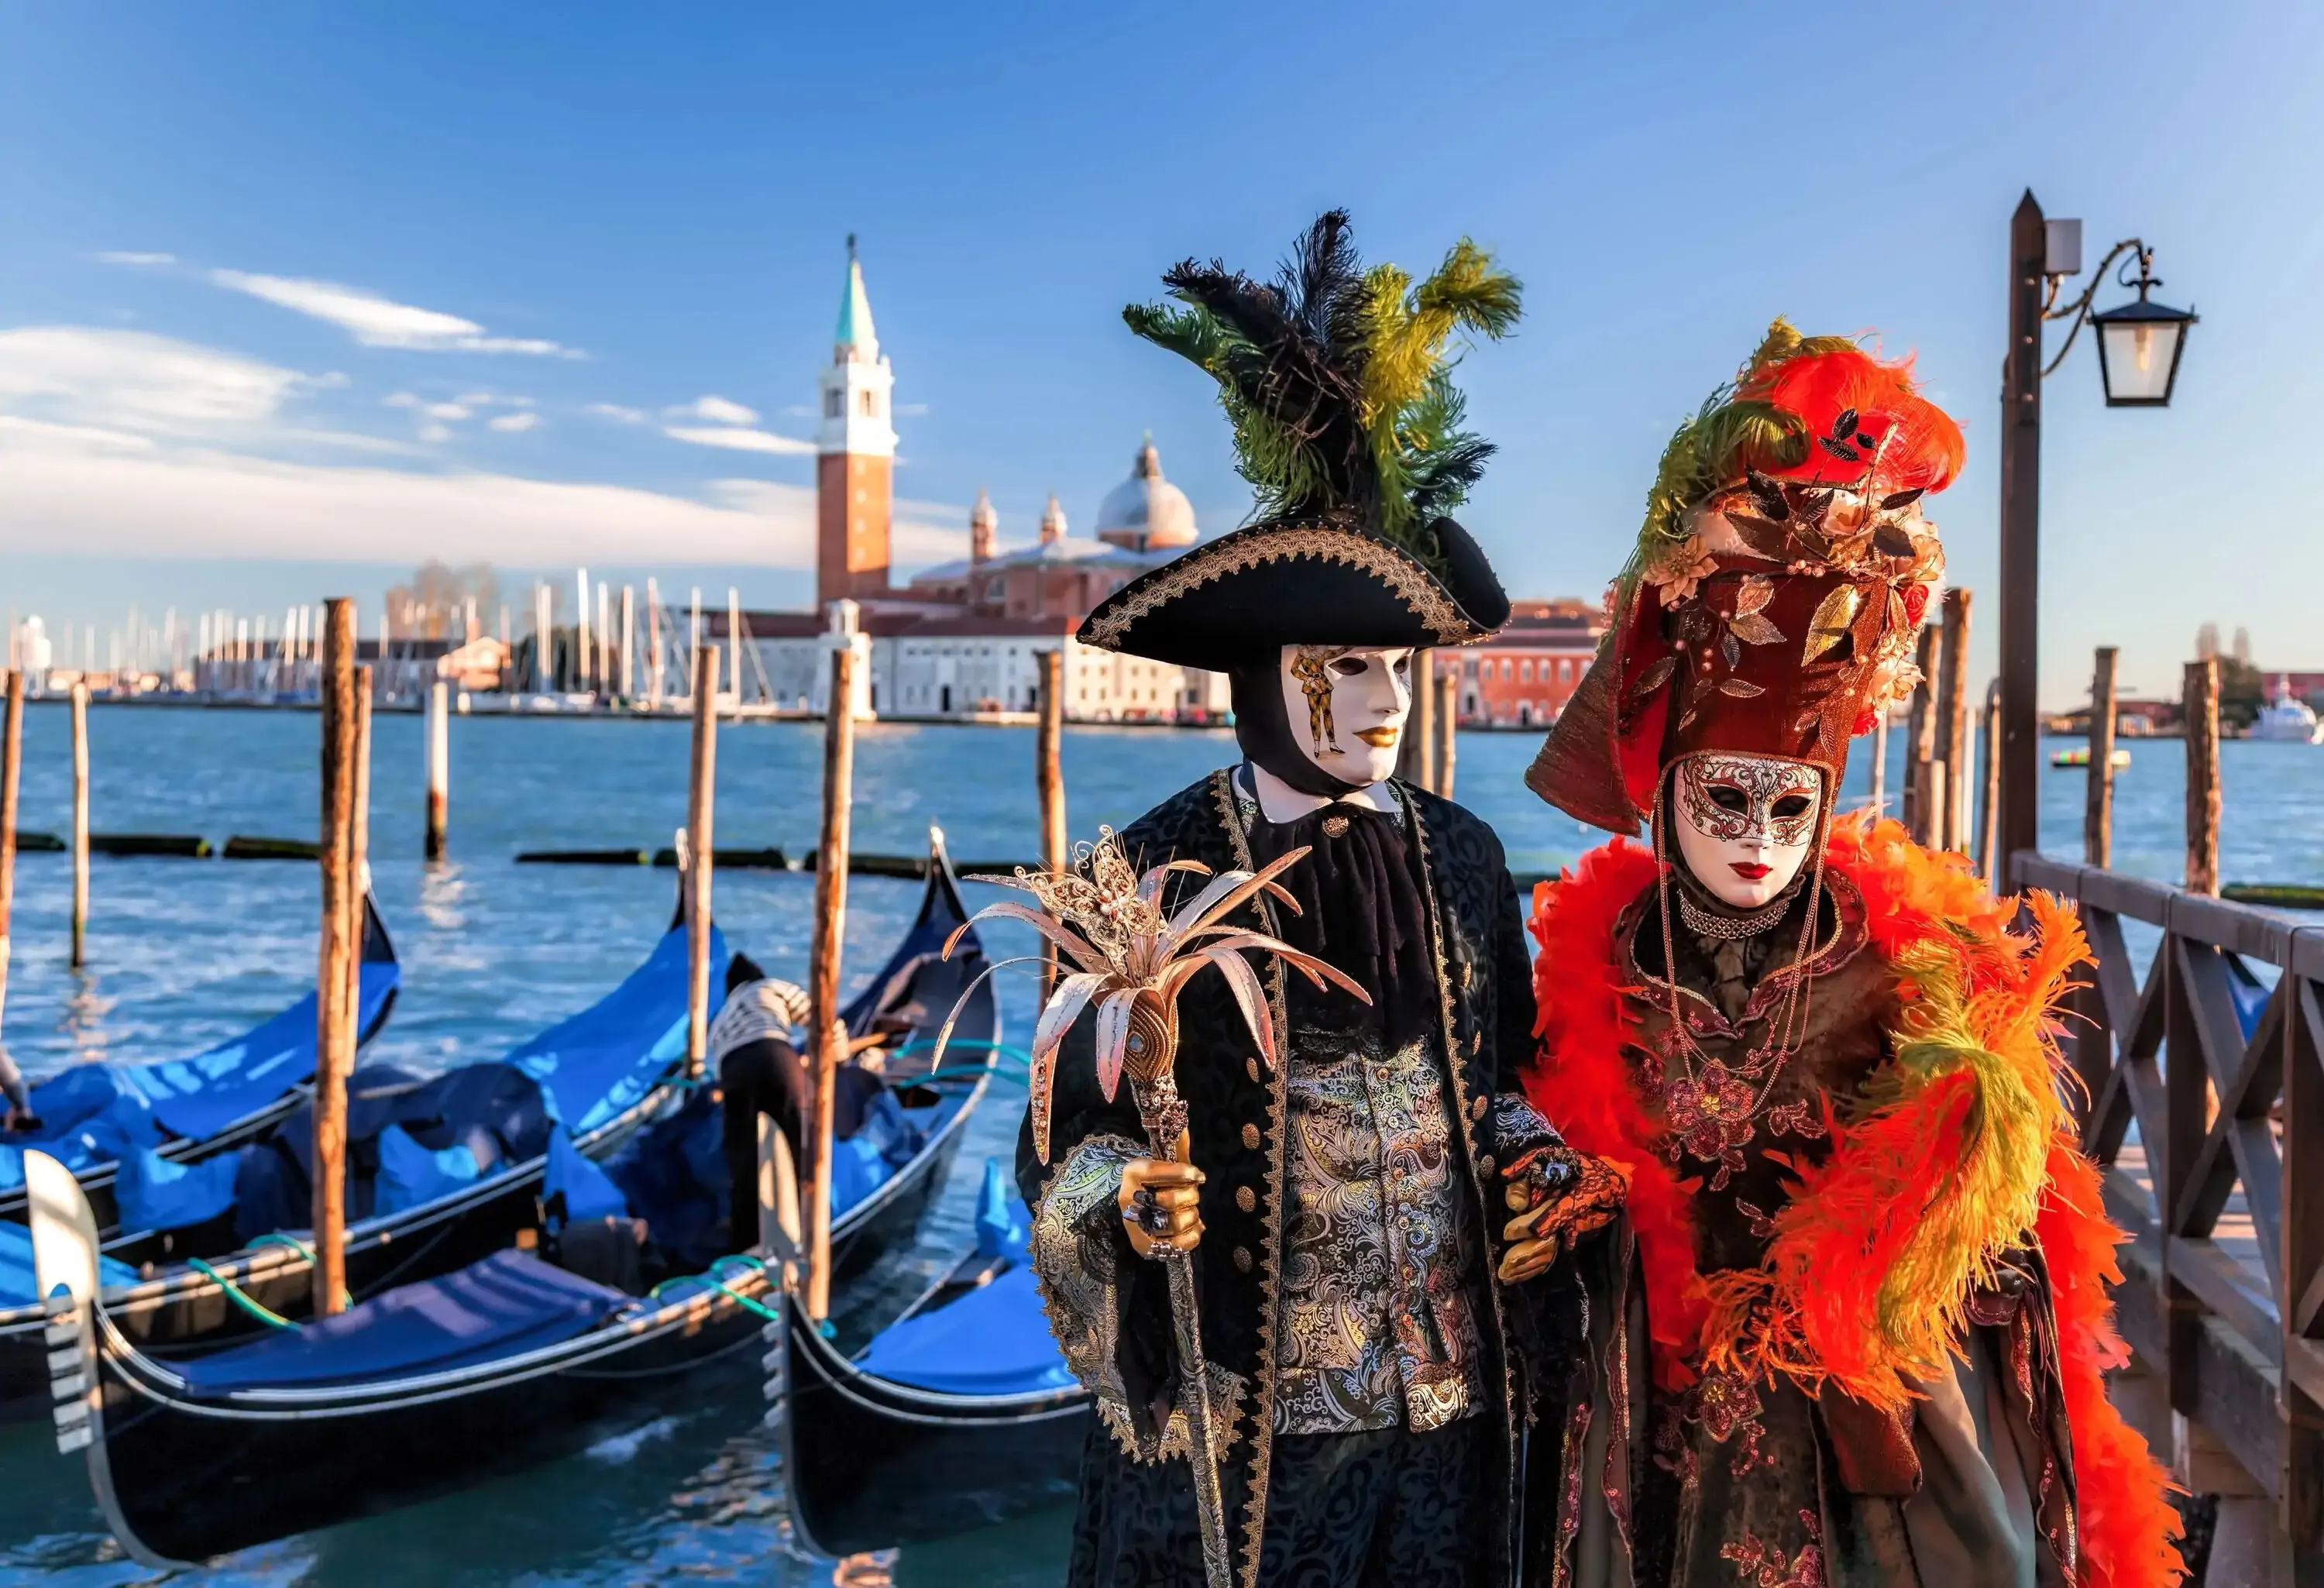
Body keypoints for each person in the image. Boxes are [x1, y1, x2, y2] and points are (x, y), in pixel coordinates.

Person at [1518, 323, 2183, 1586]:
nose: (1760, 839)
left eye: (1789, 807)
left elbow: (2012, 1213)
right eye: (1725, 801)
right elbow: (1550, 1139)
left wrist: (1904, 1214)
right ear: (1666, 798)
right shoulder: (1595, 963)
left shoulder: (1911, 962)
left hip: (1850, 1413)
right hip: (1650, 1403)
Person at [1019, 211, 1622, 1588]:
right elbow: (1058, 1147)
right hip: (1248, 1445)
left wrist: (1542, 1163)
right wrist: (1125, 1204)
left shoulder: (1464, 856)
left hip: (1455, 1430)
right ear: (1263, 671)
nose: (1386, 700)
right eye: (1347, 665)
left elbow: (1502, 1071)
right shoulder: (1146, 870)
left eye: (1402, 667)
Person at [706, 951, 811, 1251]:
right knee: (798, 1145)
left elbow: (723, 1068)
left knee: (744, 1161)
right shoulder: (769, 988)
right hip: (774, 1056)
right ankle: (805, 1229)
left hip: (733, 1071)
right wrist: (840, 1054)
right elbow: (820, 1020)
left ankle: (746, 1245)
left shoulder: (721, 1017)